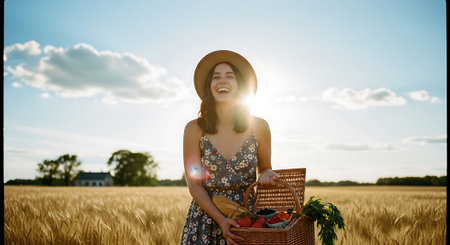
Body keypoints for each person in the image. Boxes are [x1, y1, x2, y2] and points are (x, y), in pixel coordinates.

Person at [180, 50, 278, 245]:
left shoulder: (259, 127)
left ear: (240, 86)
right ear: (210, 86)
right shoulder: (194, 129)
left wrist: (267, 173)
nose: (222, 81)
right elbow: (194, 184)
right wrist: (221, 220)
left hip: (246, 219)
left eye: (229, 77)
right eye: (216, 77)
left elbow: (265, 167)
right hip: (205, 219)